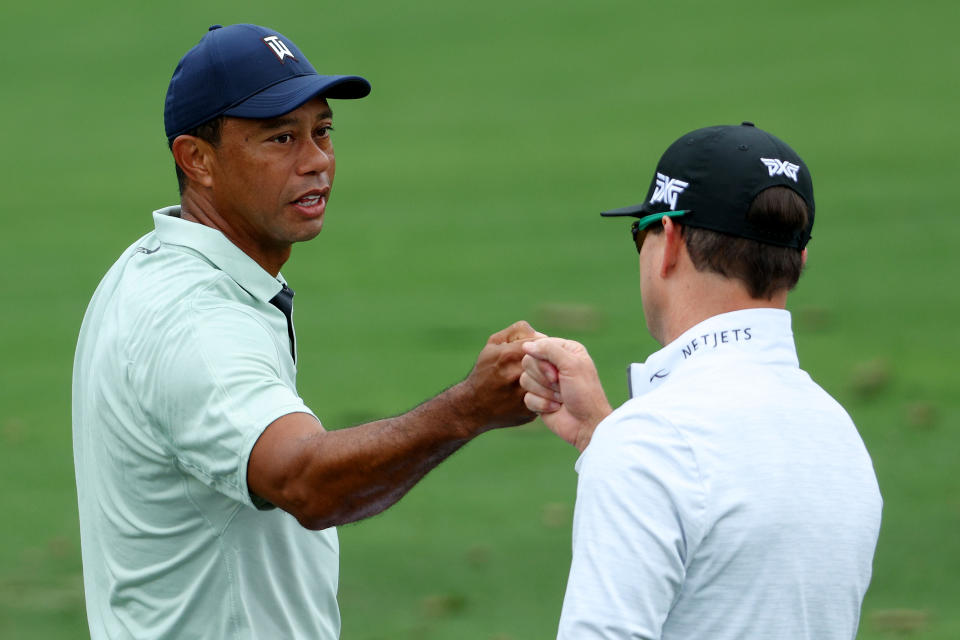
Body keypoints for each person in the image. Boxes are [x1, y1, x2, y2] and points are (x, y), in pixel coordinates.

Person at [71, 23, 537, 639]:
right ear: (197, 159)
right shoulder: (194, 322)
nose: (316, 160)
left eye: (322, 132)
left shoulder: (156, 264)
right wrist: (467, 409)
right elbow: (305, 481)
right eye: (281, 138)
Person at [520, 123, 883, 639]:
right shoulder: (839, 435)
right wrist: (601, 438)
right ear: (799, 260)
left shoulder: (650, 443)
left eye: (638, 232)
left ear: (667, 239)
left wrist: (619, 445)